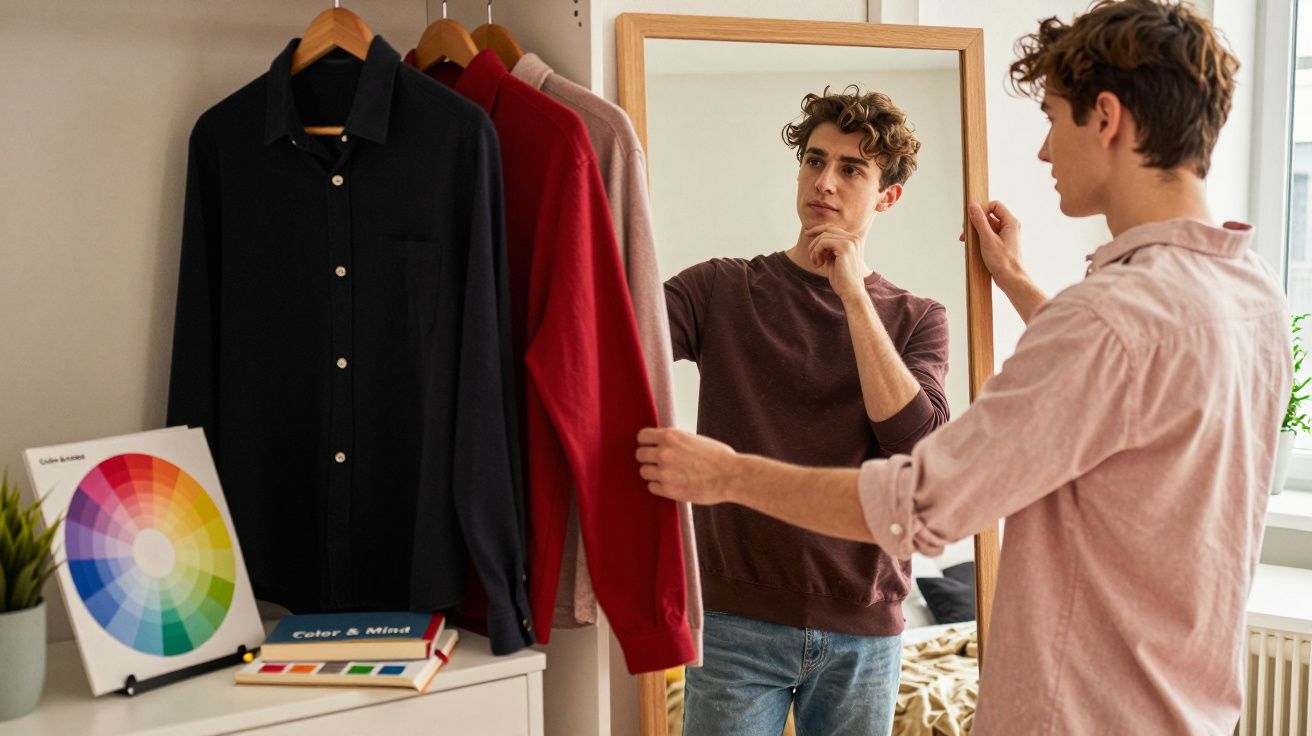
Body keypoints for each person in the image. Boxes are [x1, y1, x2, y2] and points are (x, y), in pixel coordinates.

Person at [638, 1, 1288, 733]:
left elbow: (925, 504)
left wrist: (725, 476)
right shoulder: (1256, 298)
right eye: (815, 161)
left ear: (1106, 118)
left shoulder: (1099, 321)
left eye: (1051, 116)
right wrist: (1012, 278)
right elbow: (1125, 374)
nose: (1042, 150)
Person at [665, 86, 951, 735]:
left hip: (866, 633)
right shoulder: (720, 288)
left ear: (888, 196)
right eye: (814, 160)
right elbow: (611, 340)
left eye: (851, 169)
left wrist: (852, 293)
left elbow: (917, 449)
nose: (825, 181)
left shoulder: (918, 319)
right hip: (735, 622)